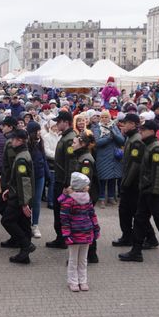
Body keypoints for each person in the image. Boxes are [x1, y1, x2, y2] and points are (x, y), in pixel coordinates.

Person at [119, 119, 159, 267]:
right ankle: (136, 251)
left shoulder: (156, 148)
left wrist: (155, 193)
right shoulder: (148, 145)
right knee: (140, 220)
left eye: (143, 129)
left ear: (151, 131)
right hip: (146, 190)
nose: (140, 131)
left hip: (152, 193)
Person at [113, 114, 158, 248]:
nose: (123, 125)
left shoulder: (136, 140)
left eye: (125, 123)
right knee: (127, 211)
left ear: (132, 124)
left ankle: (150, 238)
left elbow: (135, 165)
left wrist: (126, 183)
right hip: (129, 181)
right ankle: (128, 236)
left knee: (134, 212)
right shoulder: (131, 138)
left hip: (133, 184)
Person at [60, 172, 100, 292]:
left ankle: (82, 281)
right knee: (74, 259)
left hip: (86, 234)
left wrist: (96, 228)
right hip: (75, 234)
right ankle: (73, 281)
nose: (88, 187)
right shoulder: (68, 200)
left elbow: (92, 214)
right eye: (86, 185)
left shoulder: (87, 199)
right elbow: (64, 219)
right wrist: (67, 234)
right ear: (81, 187)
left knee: (83, 259)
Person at [0, 129, 35, 264]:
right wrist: (9, 189)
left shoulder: (21, 158)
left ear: (19, 141)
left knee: (7, 221)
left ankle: (26, 245)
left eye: (13, 139)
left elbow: (23, 181)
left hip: (20, 197)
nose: (11, 141)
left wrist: (24, 203)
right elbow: (18, 179)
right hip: (21, 194)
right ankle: (24, 255)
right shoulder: (22, 153)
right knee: (24, 223)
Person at [46, 110, 77, 249]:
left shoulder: (70, 138)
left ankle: (63, 238)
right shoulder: (66, 136)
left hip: (63, 181)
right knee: (58, 211)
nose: (56, 124)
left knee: (61, 211)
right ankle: (61, 237)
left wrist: (66, 184)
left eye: (59, 121)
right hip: (60, 179)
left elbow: (71, 163)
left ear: (66, 122)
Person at [72, 131, 100, 263]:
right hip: (84, 196)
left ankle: (91, 254)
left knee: (86, 224)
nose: (72, 144)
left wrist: (77, 197)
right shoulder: (81, 156)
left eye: (74, 142)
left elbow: (85, 181)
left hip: (86, 196)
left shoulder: (86, 159)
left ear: (82, 144)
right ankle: (91, 254)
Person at [93, 111, 124, 208]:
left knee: (112, 178)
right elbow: (97, 142)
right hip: (103, 157)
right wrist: (109, 138)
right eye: (102, 117)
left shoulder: (114, 126)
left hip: (114, 157)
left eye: (106, 117)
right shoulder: (97, 128)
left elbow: (122, 140)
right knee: (103, 179)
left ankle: (111, 197)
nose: (104, 119)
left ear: (109, 118)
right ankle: (101, 198)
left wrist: (114, 135)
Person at [26, 121, 49, 239]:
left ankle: (35, 225)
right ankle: (26, 225)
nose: (39, 133)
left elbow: (44, 158)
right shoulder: (26, 144)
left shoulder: (41, 142)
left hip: (40, 176)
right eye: (37, 131)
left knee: (37, 202)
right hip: (28, 177)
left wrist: (47, 174)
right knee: (27, 201)